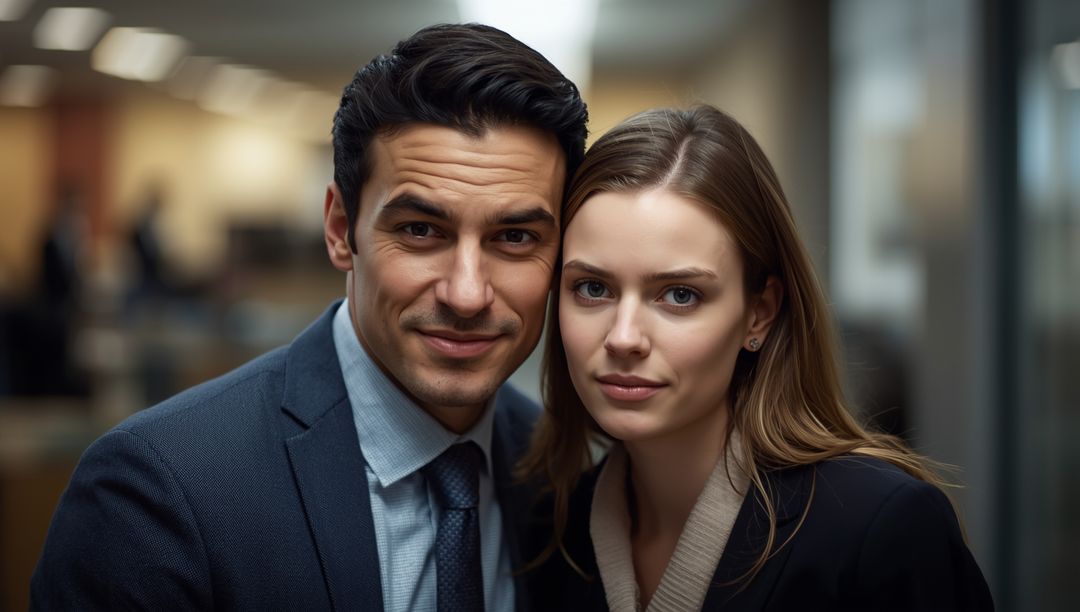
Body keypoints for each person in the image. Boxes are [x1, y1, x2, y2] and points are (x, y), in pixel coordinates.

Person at [32, 23, 587, 611]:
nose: (468, 294)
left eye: (516, 236)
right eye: (421, 230)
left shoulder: (563, 475)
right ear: (341, 230)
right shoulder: (158, 491)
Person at [520, 106, 993, 611]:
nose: (624, 337)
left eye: (679, 295)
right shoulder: (551, 530)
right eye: (592, 288)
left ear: (759, 314)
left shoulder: (880, 529)